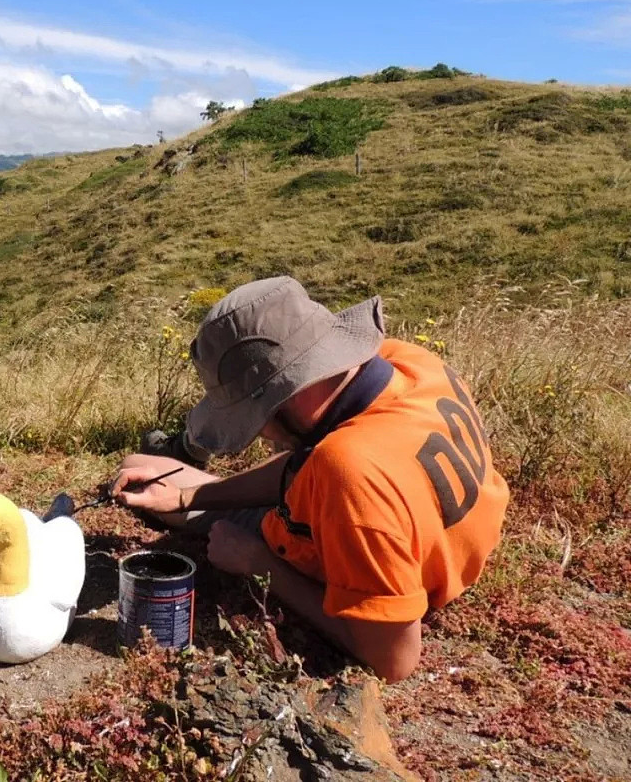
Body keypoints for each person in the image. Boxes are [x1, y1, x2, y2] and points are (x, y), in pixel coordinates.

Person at [111, 277, 508, 683]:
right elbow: (306, 467)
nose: (259, 433)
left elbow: (395, 662)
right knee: (147, 468)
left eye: (254, 418)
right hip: (405, 533)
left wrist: (258, 564)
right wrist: (185, 496)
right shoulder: (405, 363)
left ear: (286, 394)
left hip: (354, 547)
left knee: (144, 467)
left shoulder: (350, 473)